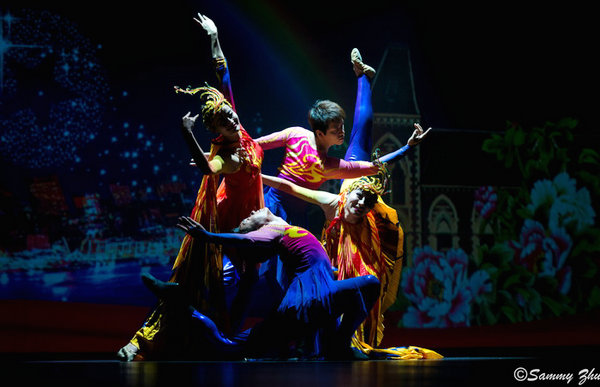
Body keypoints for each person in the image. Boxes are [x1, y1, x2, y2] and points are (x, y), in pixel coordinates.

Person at [117, 28, 265, 360]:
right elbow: (208, 168)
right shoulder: (229, 156)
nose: (233, 118)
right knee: (214, 281)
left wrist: (213, 36)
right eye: (226, 120)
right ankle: (151, 339)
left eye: (230, 113)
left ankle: (222, 335)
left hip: (253, 219)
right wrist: (188, 135)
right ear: (218, 131)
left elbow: (223, 74)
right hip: (233, 223)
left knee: (249, 281)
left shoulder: (238, 131)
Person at [164, 209, 381, 360]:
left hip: (311, 298)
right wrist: (208, 236)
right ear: (258, 229)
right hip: (308, 298)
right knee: (368, 284)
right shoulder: (273, 231)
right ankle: (339, 346)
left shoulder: (285, 229)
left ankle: (338, 344)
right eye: (246, 221)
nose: (250, 214)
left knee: (229, 347)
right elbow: (247, 240)